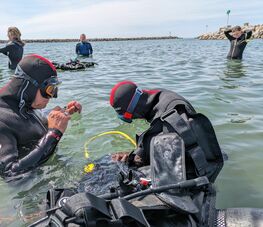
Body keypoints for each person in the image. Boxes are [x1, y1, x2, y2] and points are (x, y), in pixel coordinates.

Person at [110, 81, 223, 181]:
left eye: (132, 117)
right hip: (191, 150)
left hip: (198, 173)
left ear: (134, 111)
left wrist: (133, 160)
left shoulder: (169, 124)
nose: (136, 119)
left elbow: (167, 166)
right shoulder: (162, 97)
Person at [0, 54, 82, 180]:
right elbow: (10, 174)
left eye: (54, 90)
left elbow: (26, 120)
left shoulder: (25, 104)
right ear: (29, 86)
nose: (53, 96)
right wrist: (54, 133)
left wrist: (64, 112)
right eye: (50, 90)